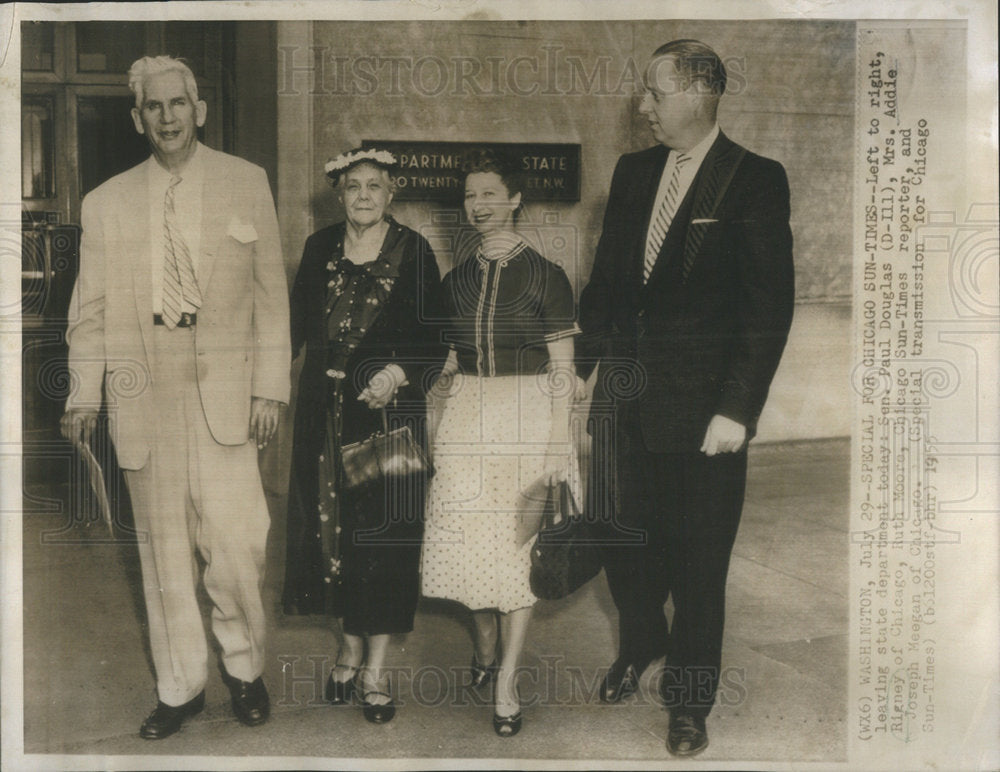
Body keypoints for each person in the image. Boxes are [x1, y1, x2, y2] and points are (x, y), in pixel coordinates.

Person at [60, 56, 289, 739]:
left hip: (226, 389)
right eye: (153, 107)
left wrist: (269, 388)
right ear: (138, 119)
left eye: (178, 104)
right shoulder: (105, 202)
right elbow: (89, 313)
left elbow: (271, 299)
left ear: (200, 109)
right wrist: (83, 396)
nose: (167, 117)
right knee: (162, 555)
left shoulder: (246, 182)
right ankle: (180, 687)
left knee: (237, 545)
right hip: (144, 386)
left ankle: (244, 670)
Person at [577, 39, 795, 756]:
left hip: (705, 415)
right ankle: (642, 643)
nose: (643, 106)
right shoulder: (633, 171)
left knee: (699, 565)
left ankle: (689, 702)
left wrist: (738, 408)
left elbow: (767, 308)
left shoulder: (755, 179)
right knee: (623, 545)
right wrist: (580, 370)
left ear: (700, 92)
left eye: (655, 92)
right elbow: (607, 283)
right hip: (624, 403)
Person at [281, 148, 447, 724]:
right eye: (353, 186)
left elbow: (435, 336)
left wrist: (396, 373)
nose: (364, 196)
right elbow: (292, 327)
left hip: (386, 417)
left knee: (383, 540)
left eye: (374, 185)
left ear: (391, 192)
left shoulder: (414, 251)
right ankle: (348, 648)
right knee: (330, 534)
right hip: (322, 416)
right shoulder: (319, 247)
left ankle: (374, 669)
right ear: (339, 193)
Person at [421, 152, 579, 737]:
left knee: (516, 552)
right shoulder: (455, 280)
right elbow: (447, 361)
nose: (478, 205)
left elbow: (563, 369)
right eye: (470, 195)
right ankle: (484, 638)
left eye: (490, 193)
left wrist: (560, 441)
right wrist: (432, 414)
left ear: (515, 199)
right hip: (467, 417)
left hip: (529, 418)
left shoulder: (546, 275)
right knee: (468, 544)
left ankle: (507, 680)